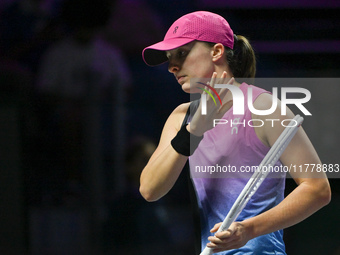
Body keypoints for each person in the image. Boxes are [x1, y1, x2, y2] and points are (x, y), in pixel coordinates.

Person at [139, 11, 331, 254]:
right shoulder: (182, 118)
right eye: (169, 58)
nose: (172, 67)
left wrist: (248, 230)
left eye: (183, 53)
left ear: (217, 51)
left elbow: (317, 189)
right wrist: (194, 131)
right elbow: (149, 190)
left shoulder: (265, 109)